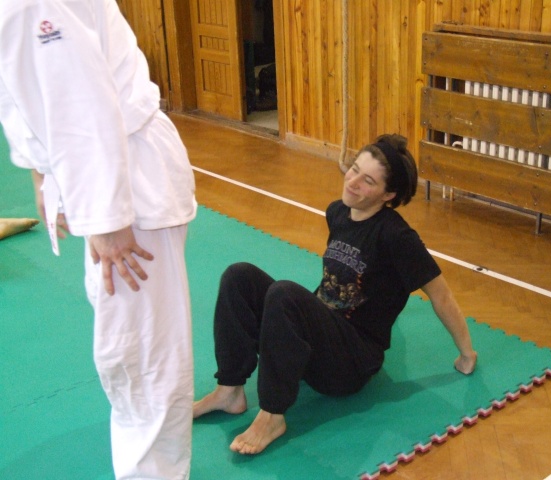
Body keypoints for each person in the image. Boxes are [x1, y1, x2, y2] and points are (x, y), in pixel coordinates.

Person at [0, 1, 197, 478]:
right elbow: (26, 91)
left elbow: (79, 101)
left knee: (142, 354)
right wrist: (41, 173)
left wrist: (108, 221)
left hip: (124, 182)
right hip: (101, 172)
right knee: (130, 347)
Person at [193, 133, 478, 455]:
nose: (352, 182)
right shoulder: (338, 212)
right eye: (354, 168)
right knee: (239, 276)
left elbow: (441, 296)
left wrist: (466, 353)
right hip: (320, 339)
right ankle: (229, 390)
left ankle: (272, 416)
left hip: (351, 362)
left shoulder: (398, 237)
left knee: (284, 294)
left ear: (388, 195)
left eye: (368, 181)